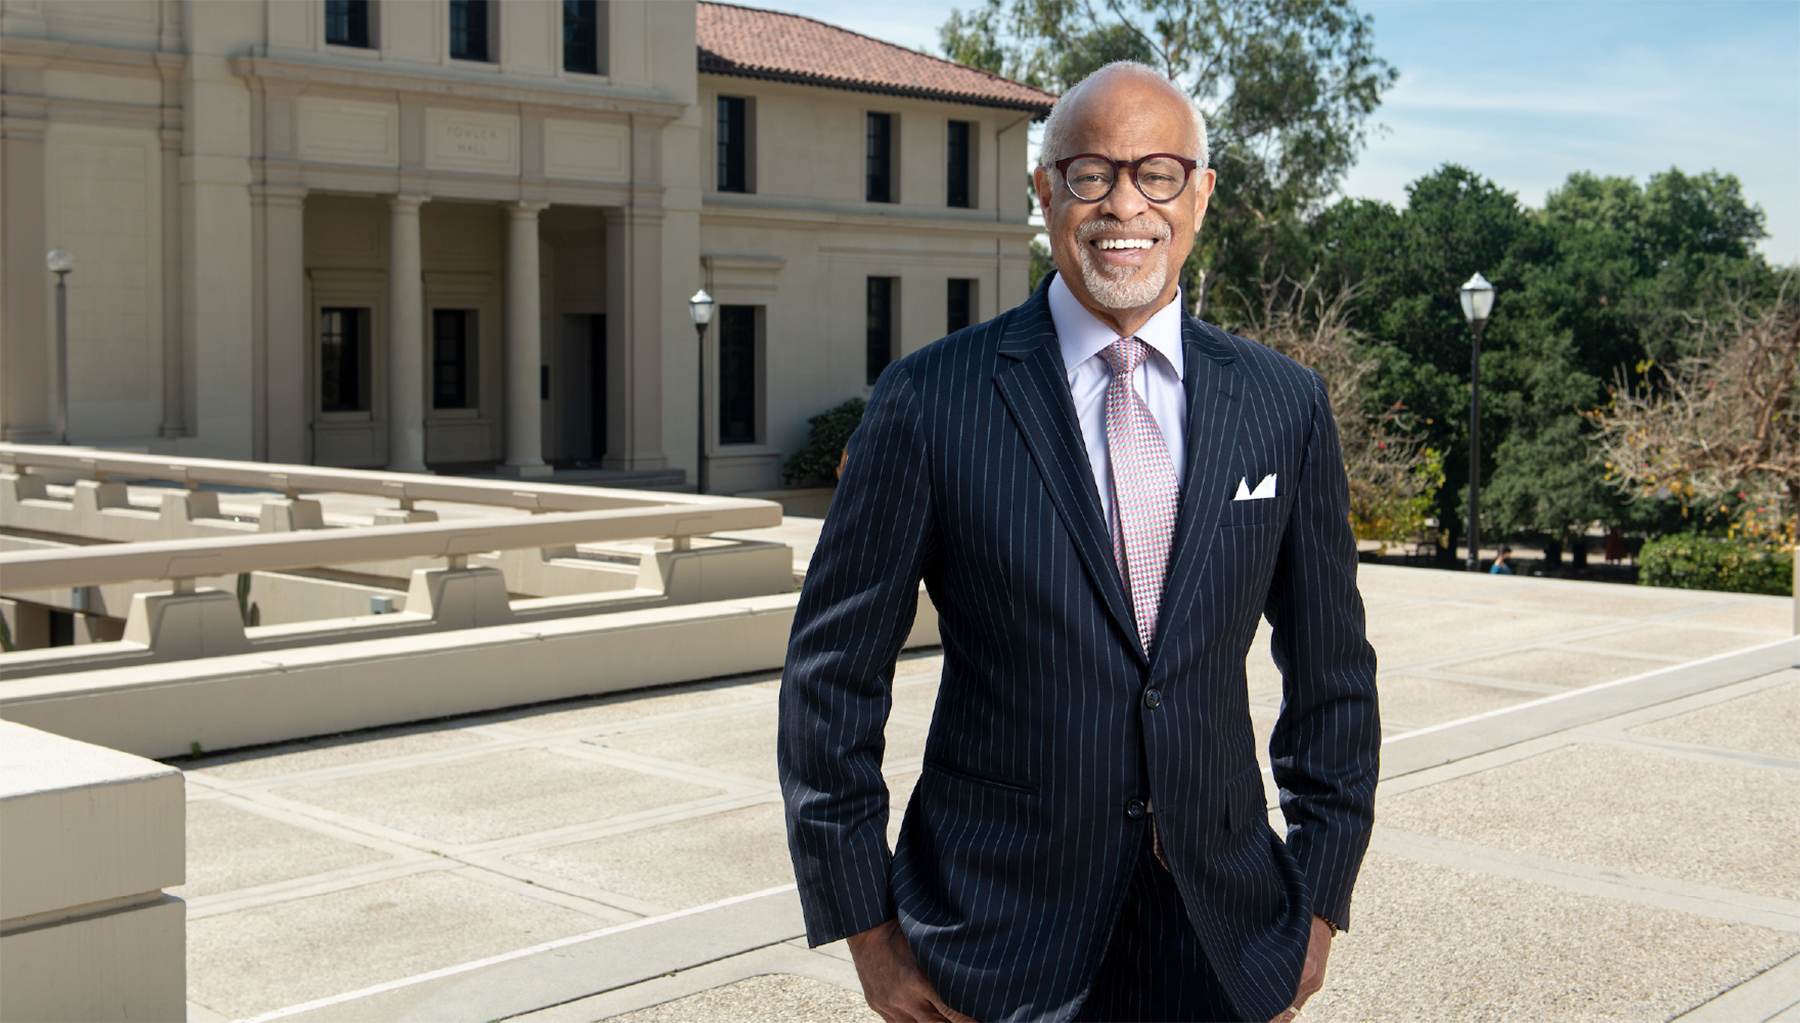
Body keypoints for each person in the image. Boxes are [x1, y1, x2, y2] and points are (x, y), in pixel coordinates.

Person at [778, 61, 1379, 1023]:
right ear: (1044, 190)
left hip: (1224, 936)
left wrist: (1318, 903)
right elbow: (830, 682)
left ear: (1202, 196)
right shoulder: (930, 400)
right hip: (993, 938)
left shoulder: (1284, 404)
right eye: (1091, 173)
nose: (1124, 206)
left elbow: (1334, 675)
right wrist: (869, 934)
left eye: (1158, 174)